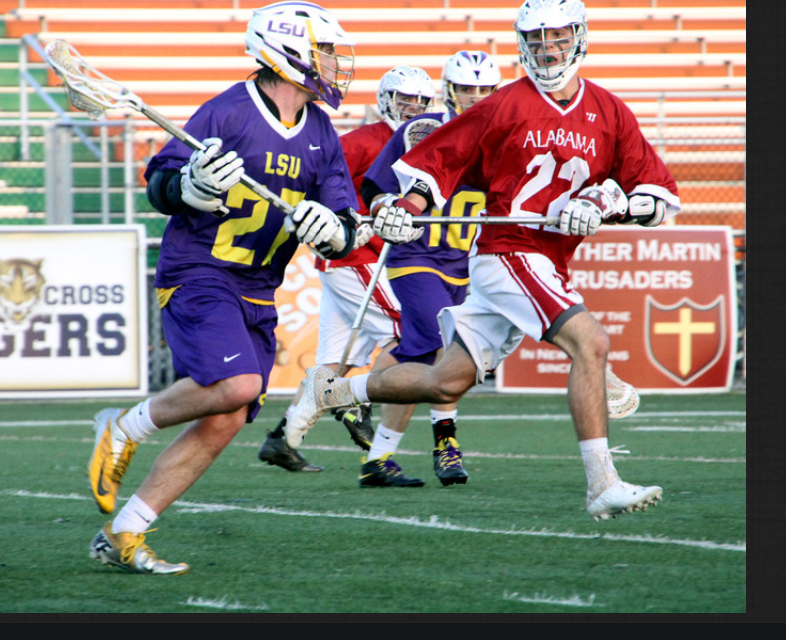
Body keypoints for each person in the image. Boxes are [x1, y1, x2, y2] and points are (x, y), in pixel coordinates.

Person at [285, 0, 680, 521]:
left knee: (444, 381)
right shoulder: (506, 103)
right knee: (592, 342)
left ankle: (333, 388)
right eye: (537, 40)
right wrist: (405, 208)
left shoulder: (608, 111)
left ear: (579, 38)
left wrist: (611, 203)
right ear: (522, 44)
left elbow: (657, 195)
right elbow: (438, 162)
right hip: (510, 251)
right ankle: (602, 483)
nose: (548, 49)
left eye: (558, 38)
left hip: (547, 261)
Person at [85, 1, 362, 575]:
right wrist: (189, 185)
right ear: (288, 52)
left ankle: (125, 532)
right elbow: (158, 182)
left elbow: (345, 219)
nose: (335, 63)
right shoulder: (227, 112)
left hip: (259, 289)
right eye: (326, 50)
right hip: (199, 272)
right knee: (237, 383)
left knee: (229, 416)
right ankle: (124, 425)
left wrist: (332, 230)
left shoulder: (321, 130)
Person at [258, 65, 436, 473]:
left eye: (420, 102)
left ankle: (282, 438)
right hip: (355, 256)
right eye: (404, 100)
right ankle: (353, 403)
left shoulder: (422, 144)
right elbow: (316, 180)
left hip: (365, 259)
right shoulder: (363, 141)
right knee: (413, 332)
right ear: (385, 100)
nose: (411, 109)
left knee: (334, 363)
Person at [352, 50, 502, 488]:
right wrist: (385, 208)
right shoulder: (422, 129)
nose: (475, 97)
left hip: (461, 261)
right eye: (467, 89)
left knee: (416, 357)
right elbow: (376, 186)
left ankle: (374, 451)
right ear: (449, 90)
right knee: (448, 347)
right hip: (416, 256)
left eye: (484, 89)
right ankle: (446, 444)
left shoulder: (507, 132)